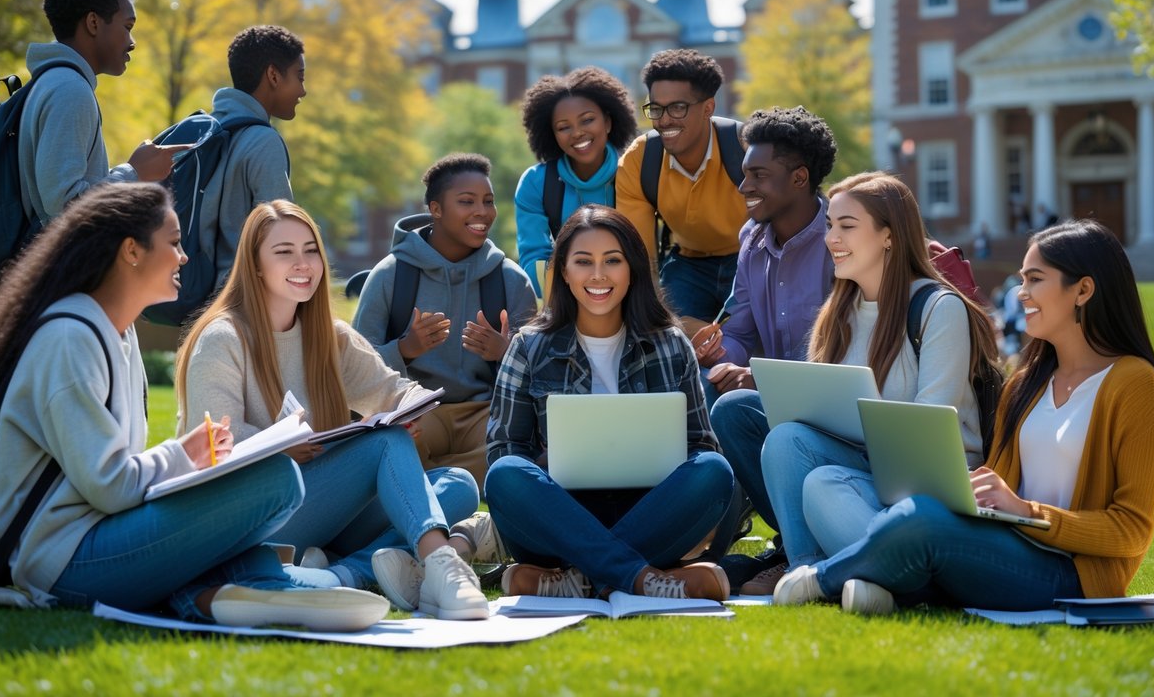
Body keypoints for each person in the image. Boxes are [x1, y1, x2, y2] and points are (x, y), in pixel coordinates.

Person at [0, 183, 383, 630]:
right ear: (132, 251)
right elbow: (110, 486)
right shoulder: (70, 340)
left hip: (105, 535)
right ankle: (236, 591)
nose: (184, 257)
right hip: (67, 562)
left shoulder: (117, 332)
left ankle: (243, 592)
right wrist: (184, 454)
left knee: (259, 527)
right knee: (277, 479)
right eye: (173, 242)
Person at [774, 219, 1154, 614]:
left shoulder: (1136, 385)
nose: (1020, 293)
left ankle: (820, 580)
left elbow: (1131, 531)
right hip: (1002, 545)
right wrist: (967, 491)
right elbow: (1000, 484)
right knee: (827, 484)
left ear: (1083, 290)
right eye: (1022, 279)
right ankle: (896, 588)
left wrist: (1028, 513)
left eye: (1035, 280)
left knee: (920, 518)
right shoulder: (1026, 383)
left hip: (1068, 573)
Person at [176, 200, 488, 619]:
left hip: (326, 510)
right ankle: (442, 568)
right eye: (284, 252)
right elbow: (213, 445)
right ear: (255, 266)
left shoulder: (330, 336)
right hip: (251, 515)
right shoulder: (223, 338)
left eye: (311, 250)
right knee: (384, 443)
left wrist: (410, 409)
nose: (303, 263)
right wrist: (280, 446)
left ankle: (341, 574)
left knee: (458, 484)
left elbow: (393, 389)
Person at [733, 172, 998, 594]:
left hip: (927, 487)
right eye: (830, 225)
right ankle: (809, 572)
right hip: (866, 470)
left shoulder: (938, 308)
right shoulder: (837, 313)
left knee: (821, 482)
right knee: (786, 441)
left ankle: (889, 577)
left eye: (847, 226)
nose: (831, 238)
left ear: (888, 236)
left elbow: (927, 434)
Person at [485, 205, 734, 601]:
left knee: (714, 470)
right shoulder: (528, 347)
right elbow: (504, 450)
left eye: (612, 261)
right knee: (505, 474)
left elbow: (700, 445)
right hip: (560, 516)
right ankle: (642, 579)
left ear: (632, 269)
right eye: (583, 261)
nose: (598, 275)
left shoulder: (671, 344)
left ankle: (579, 580)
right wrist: (553, 461)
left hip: (649, 510)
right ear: (563, 273)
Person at [695, 106, 837, 586]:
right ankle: (696, 540)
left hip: (834, 409)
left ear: (799, 178)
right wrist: (717, 359)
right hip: (776, 401)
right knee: (702, 388)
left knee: (733, 409)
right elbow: (740, 332)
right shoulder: (752, 240)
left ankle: (802, 550)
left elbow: (839, 356)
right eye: (744, 174)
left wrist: (754, 378)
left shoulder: (840, 238)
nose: (743, 186)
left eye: (758, 175)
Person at [352, 154, 537, 489]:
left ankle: (431, 479)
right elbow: (354, 371)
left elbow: (540, 375)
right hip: (417, 410)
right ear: (436, 209)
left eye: (488, 201)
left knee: (516, 453)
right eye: (467, 201)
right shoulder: (390, 275)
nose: (482, 212)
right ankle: (453, 480)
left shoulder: (511, 280)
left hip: (485, 413)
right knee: (391, 443)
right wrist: (403, 350)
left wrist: (506, 352)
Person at [19, 0, 180, 225]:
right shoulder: (70, 90)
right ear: (93, 23)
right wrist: (134, 172)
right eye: (127, 26)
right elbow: (63, 204)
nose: (132, 42)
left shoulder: (50, 81)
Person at [615, 49, 746, 336]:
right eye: (656, 108)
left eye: (677, 108)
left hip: (748, 260)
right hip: (688, 264)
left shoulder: (744, 149)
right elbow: (642, 258)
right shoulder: (639, 160)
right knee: (665, 334)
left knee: (748, 337)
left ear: (708, 108)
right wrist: (658, 317)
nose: (664, 120)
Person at [514, 66, 639, 297]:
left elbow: (645, 252)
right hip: (565, 297)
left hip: (631, 295)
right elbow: (534, 261)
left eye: (587, 120)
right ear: (552, 134)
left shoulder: (636, 172)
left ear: (608, 122)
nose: (577, 133)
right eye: (564, 127)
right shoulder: (536, 182)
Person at [202, 25, 301, 285]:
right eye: (299, 77)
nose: (303, 90)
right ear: (273, 75)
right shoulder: (264, 141)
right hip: (243, 295)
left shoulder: (207, 130)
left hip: (196, 292)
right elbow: (282, 238)